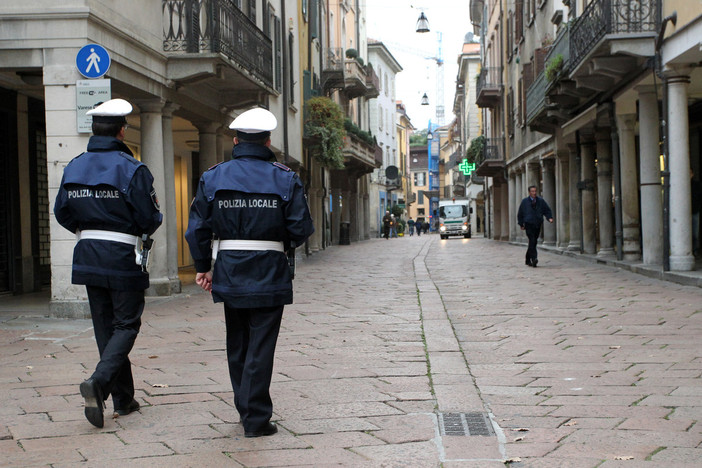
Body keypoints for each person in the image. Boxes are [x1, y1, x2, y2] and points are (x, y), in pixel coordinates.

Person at [185, 107, 314, 438]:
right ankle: (256, 418)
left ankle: (246, 409)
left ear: (235, 140)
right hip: (269, 268)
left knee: (238, 341)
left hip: (229, 268)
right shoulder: (285, 178)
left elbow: (196, 229)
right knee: (261, 344)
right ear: (268, 140)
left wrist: (203, 267)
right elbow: (301, 228)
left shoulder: (213, 176)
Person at [54, 99, 162, 428]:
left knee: (106, 328)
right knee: (127, 324)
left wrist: (88, 230)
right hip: (122, 255)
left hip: (87, 253)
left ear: (93, 130)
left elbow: (62, 211)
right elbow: (150, 217)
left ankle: (124, 399)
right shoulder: (133, 168)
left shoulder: (74, 166)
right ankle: (99, 384)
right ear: (122, 130)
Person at [517, 185, 553, 267]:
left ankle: (527, 259)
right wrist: (521, 223)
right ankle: (534, 259)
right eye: (532, 191)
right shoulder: (524, 202)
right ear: (529, 192)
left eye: (535, 191)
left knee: (533, 241)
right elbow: (520, 213)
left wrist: (549, 217)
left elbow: (546, 210)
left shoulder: (540, 201)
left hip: (537, 224)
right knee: (532, 240)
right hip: (528, 224)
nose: (534, 193)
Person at [692, 169, 701, 256]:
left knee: (695, 233)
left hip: (694, 211)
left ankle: (695, 249)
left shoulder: (696, 185)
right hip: (685, 213)